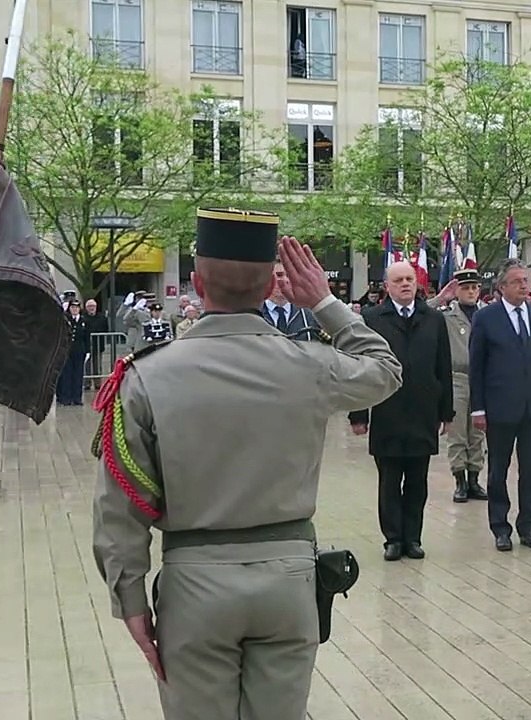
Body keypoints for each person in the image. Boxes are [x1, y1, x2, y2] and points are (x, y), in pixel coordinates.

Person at [90, 209, 402, 719]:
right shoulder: (311, 365)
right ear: (269, 287)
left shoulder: (146, 375)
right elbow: (385, 371)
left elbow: (121, 502)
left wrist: (128, 596)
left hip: (194, 584)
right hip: (288, 580)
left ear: (196, 282)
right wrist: (324, 303)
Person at [348, 261, 454, 561]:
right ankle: (393, 539)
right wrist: (358, 414)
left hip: (423, 411)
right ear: (387, 286)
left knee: (418, 481)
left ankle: (413, 538)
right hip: (387, 410)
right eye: (399, 280)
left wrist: (446, 412)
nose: (405, 284)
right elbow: (359, 367)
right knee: (390, 480)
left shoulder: (433, 318)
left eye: (410, 279)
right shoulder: (371, 318)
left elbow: (442, 367)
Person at [468, 262, 531, 551]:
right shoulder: (487, 318)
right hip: (499, 406)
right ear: (502, 287)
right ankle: (500, 527)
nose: (524, 286)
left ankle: (528, 525)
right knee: (499, 469)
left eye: (526, 280)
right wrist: (478, 408)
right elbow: (477, 366)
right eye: (517, 281)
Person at [429, 269, 490, 503]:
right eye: (466, 288)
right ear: (457, 291)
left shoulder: (487, 314)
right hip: (457, 378)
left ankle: (475, 479)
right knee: (457, 433)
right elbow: (421, 312)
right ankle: (460, 481)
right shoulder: (446, 315)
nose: (472, 292)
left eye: (475, 287)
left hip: (483, 379)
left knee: (478, 432)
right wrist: (441, 298)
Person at [262, 261, 322, 341]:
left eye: (289, 275)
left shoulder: (308, 315)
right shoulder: (255, 314)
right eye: (279, 275)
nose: (286, 280)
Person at [56, 300, 89, 405]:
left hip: (79, 351)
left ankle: (77, 397)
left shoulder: (83, 321)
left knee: (78, 375)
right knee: (67, 374)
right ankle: (66, 397)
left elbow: (86, 337)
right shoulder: (65, 320)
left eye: (76, 307)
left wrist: (88, 351)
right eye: (72, 307)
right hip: (67, 351)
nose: (74, 310)